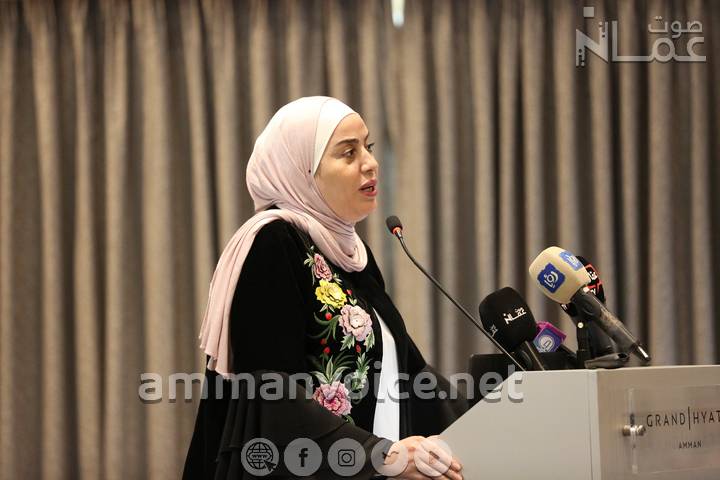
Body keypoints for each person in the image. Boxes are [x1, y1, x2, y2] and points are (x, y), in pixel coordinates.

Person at [183, 97, 466, 479]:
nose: (370, 162)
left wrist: (497, 411)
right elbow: (272, 397)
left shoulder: (350, 254)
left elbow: (412, 376)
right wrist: (380, 456)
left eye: (368, 146)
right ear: (302, 170)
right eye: (348, 153)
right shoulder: (274, 242)